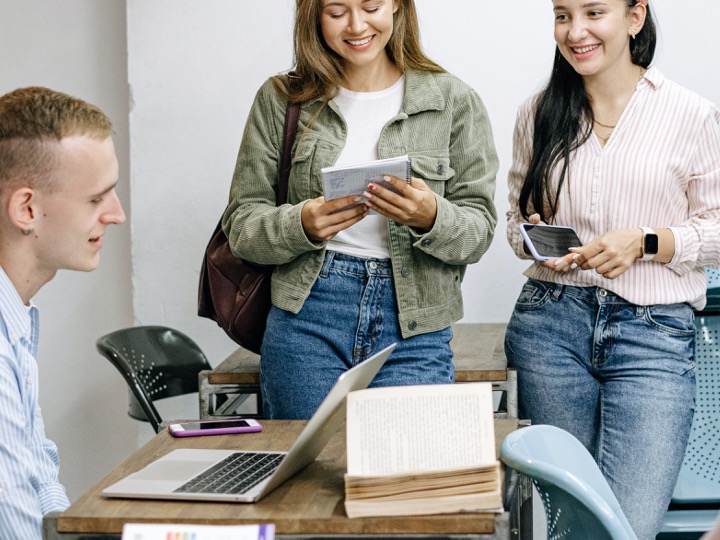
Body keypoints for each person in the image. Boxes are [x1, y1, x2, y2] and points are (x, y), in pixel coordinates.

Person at [504, 1, 720, 538]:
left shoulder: (689, 113)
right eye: (562, 15)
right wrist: (535, 240)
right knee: (569, 525)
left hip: (655, 335)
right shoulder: (538, 112)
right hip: (549, 328)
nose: (575, 31)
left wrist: (647, 242)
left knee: (628, 526)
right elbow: (513, 222)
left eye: (593, 12)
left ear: (634, 16)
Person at [222, 0, 498, 419]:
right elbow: (241, 226)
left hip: (415, 325)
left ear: (397, 8)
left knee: (404, 477)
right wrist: (301, 225)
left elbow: (479, 231)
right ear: (313, 15)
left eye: (371, 6)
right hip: (308, 316)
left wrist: (431, 217)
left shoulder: (453, 101)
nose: (356, 25)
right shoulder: (282, 98)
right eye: (336, 11)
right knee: (308, 478)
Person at [0, 86, 126, 539]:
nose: (117, 215)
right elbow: (13, 519)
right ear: (27, 209)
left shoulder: (15, 313)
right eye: (97, 199)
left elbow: (38, 477)